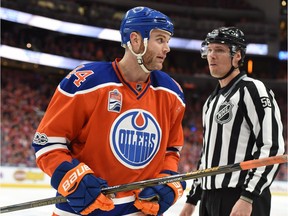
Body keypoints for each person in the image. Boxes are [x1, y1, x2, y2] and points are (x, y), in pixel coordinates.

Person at [32, 6, 186, 216]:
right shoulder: (86, 82)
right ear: (135, 40)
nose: (167, 48)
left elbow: (171, 151)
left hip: (139, 210)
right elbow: (47, 142)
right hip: (83, 210)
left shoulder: (172, 93)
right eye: (160, 40)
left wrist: (167, 180)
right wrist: (73, 178)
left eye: (167, 41)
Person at [179, 27, 285, 216]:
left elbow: (272, 147)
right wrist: (193, 199)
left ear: (237, 56)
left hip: (240, 196)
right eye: (209, 50)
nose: (211, 56)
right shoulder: (211, 101)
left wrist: (248, 197)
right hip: (209, 198)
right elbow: (207, 155)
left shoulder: (253, 90)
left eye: (219, 50)